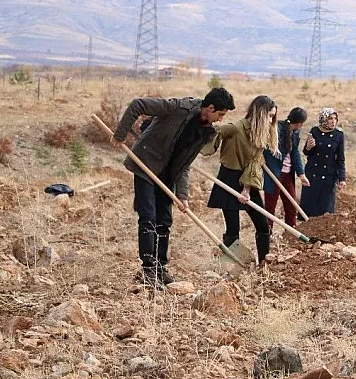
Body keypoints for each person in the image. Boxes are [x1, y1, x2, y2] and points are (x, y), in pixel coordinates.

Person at [110, 87, 235, 288]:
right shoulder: (178, 107)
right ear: (210, 107)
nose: (220, 119)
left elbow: (184, 165)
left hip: (167, 175)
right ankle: (149, 269)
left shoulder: (204, 132)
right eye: (220, 114)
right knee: (148, 217)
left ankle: (160, 267)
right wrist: (120, 134)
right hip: (146, 165)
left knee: (164, 221)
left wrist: (183, 196)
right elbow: (138, 105)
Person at [203, 95, 278, 267]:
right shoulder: (236, 128)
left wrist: (246, 189)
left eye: (273, 116)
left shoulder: (260, 134)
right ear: (260, 113)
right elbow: (216, 133)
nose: (271, 120)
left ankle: (263, 265)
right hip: (228, 179)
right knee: (233, 229)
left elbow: (254, 163)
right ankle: (231, 268)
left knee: (263, 225)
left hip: (247, 181)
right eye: (269, 115)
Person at [263, 107, 311, 229]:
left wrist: (301, 174)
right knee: (270, 206)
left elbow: (295, 153)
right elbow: (268, 151)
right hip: (274, 173)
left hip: (288, 174)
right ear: (299, 123)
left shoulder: (295, 132)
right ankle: (267, 233)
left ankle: (291, 232)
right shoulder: (276, 129)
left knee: (291, 205)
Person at [299, 108, 347, 217]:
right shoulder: (314, 131)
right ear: (323, 119)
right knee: (309, 210)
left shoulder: (338, 135)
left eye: (335, 118)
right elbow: (306, 152)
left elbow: (340, 159)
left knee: (325, 212)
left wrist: (342, 178)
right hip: (313, 175)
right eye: (330, 118)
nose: (333, 121)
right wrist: (308, 147)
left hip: (328, 177)